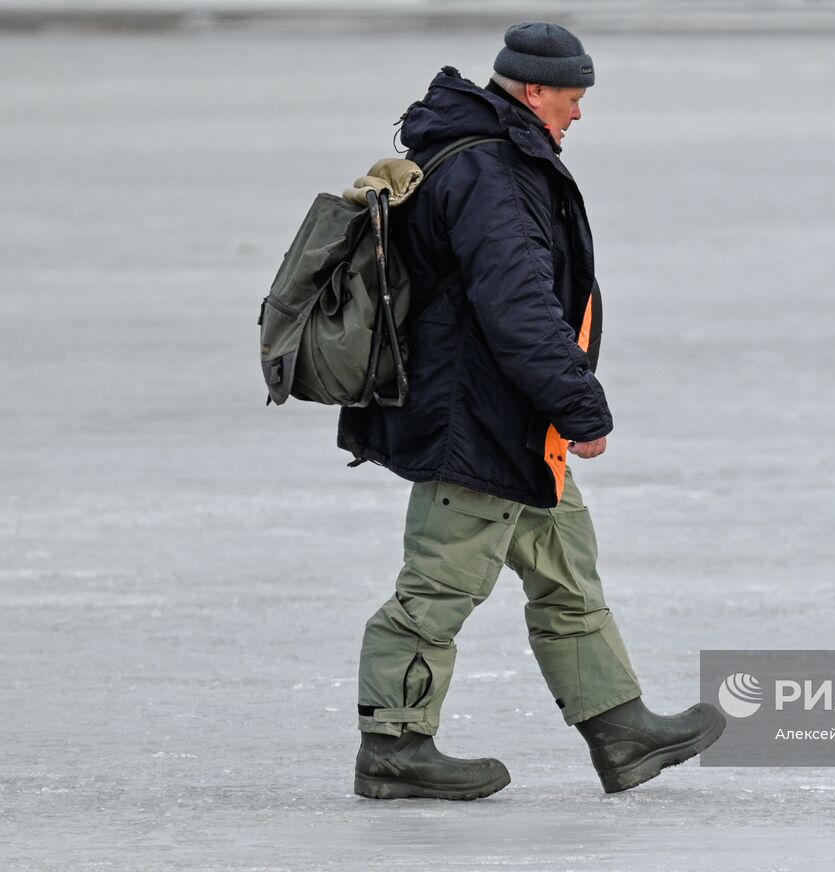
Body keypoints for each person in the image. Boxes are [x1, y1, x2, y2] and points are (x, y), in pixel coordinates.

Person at [337, 22, 725, 800]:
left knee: (566, 573)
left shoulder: (491, 153)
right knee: (441, 582)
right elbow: (516, 305)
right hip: (476, 421)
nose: (578, 114)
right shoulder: (489, 168)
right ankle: (393, 745)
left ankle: (619, 729)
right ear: (536, 90)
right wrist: (579, 404)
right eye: (573, 98)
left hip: (514, 420)